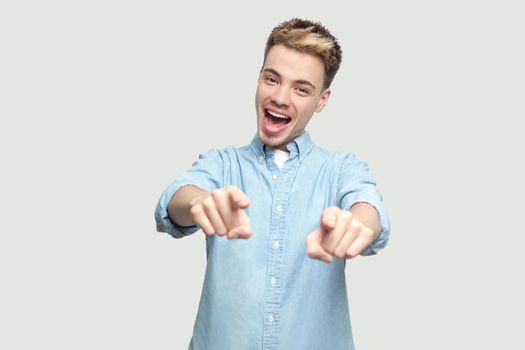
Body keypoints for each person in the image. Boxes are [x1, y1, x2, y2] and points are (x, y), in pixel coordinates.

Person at [155, 18, 390, 350]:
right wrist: (198, 204)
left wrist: (356, 224)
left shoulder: (341, 168)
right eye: (272, 79)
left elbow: (368, 208)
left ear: (322, 100)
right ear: (258, 80)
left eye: (301, 89)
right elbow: (175, 201)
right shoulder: (222, 164)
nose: (280, 97)